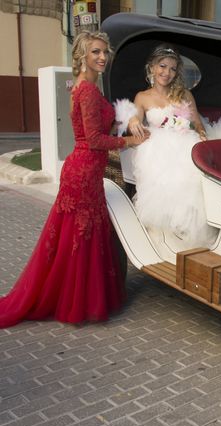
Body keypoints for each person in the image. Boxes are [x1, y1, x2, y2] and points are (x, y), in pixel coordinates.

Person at [0, 31, 147, 328]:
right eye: (95, 52)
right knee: (79, 237)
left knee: (77, 237)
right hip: (83, 170)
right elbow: (93, 139)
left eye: (105, 51)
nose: (102, 57)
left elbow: (99, 126)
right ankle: (75, 301)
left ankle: (72, 296)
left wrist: (127, 119)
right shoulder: (87, 90)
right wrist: (130, 142)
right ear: (82, 56)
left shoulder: (88, 87)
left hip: (86, 170)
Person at [126, 45, 214, 247]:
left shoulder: (184, 94)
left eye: (173, 69)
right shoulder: (142, 97)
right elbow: (135, 121)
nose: (167, 73)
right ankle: (164, 238)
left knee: (192, 180)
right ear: (152, 67)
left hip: (186, 143)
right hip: (157, 149)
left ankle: (188, 238)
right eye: (163, 66)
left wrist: (202, 136)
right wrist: (133, 121)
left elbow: (198, 124)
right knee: (165, 180)